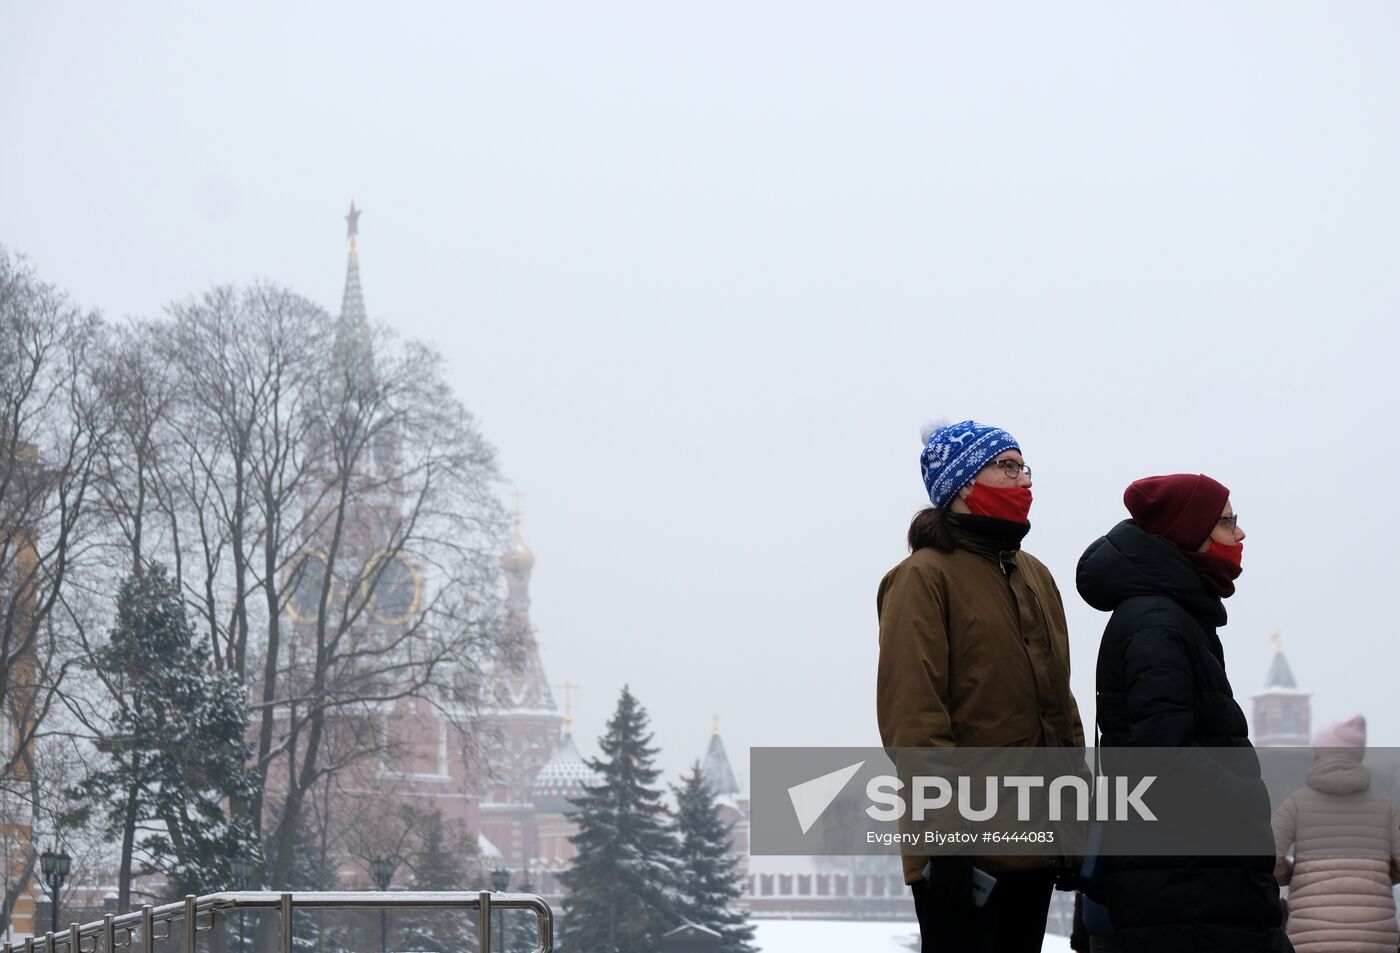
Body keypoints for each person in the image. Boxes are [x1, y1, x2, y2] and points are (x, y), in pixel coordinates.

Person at [877, 418, 1084, 953]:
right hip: (967, 856)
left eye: (1024, 467)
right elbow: (915, 719)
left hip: (1036, 843)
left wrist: (1076, 824)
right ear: (964, 482)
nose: (1024, 480)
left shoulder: (1036, 575)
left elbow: (1060, 711)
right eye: (1007, 467)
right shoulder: (922, 577)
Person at [1076, 473, 1291, 952]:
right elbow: (1165, 758)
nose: (1240, 534)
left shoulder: (1172, 615)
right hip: (1186, 885)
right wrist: (1247, 801)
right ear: (1190, 532)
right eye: (1227, 522)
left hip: (1192, 876)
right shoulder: (1158, 624)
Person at [1271, 714, 1400, 953]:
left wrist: (1296, 874)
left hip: (1310, 938)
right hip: (1373, 939)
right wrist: (1376, 875)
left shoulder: (1295, 803)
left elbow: (1269, 857)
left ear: (1319, 756)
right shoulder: (1385, 807)